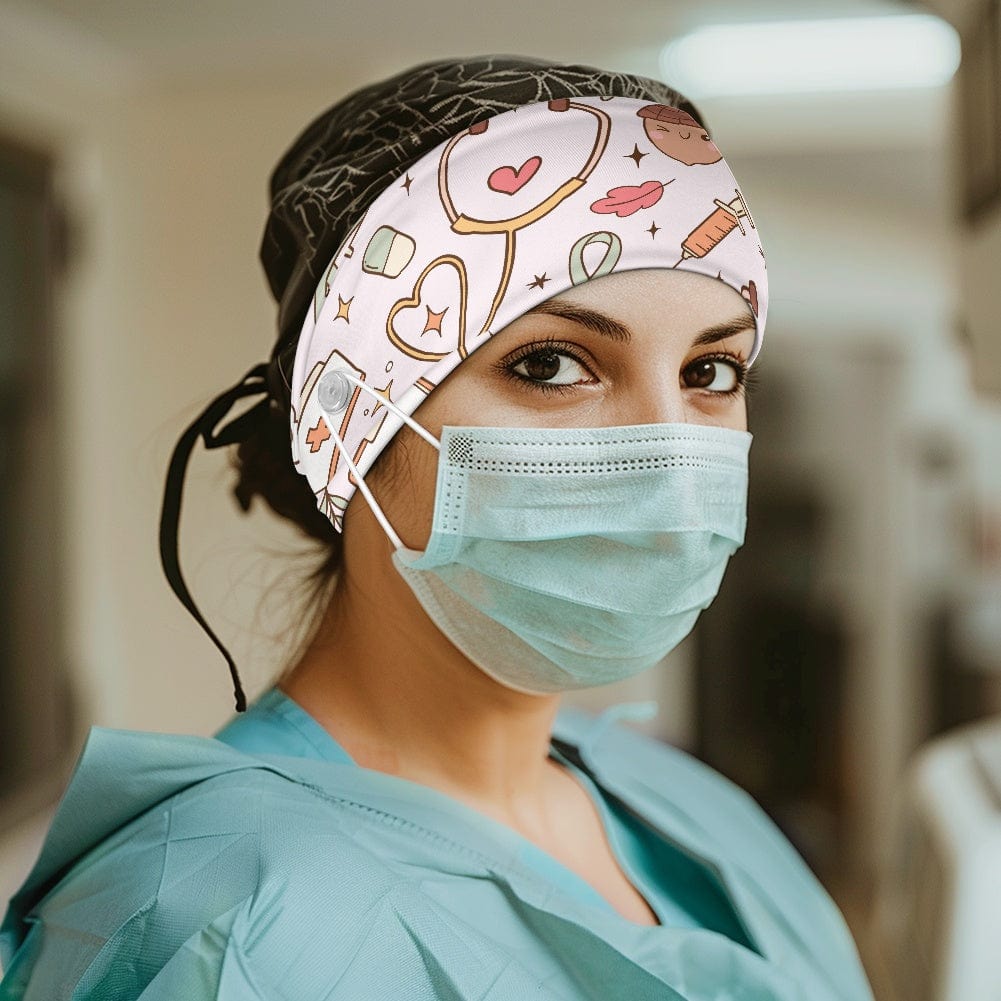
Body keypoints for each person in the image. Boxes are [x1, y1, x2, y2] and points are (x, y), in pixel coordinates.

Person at [0, 57, 874, 1000]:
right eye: (549, 364)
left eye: (710, 372)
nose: (667, 453)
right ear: (351, 421)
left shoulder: (682, 808)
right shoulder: (220, 925)